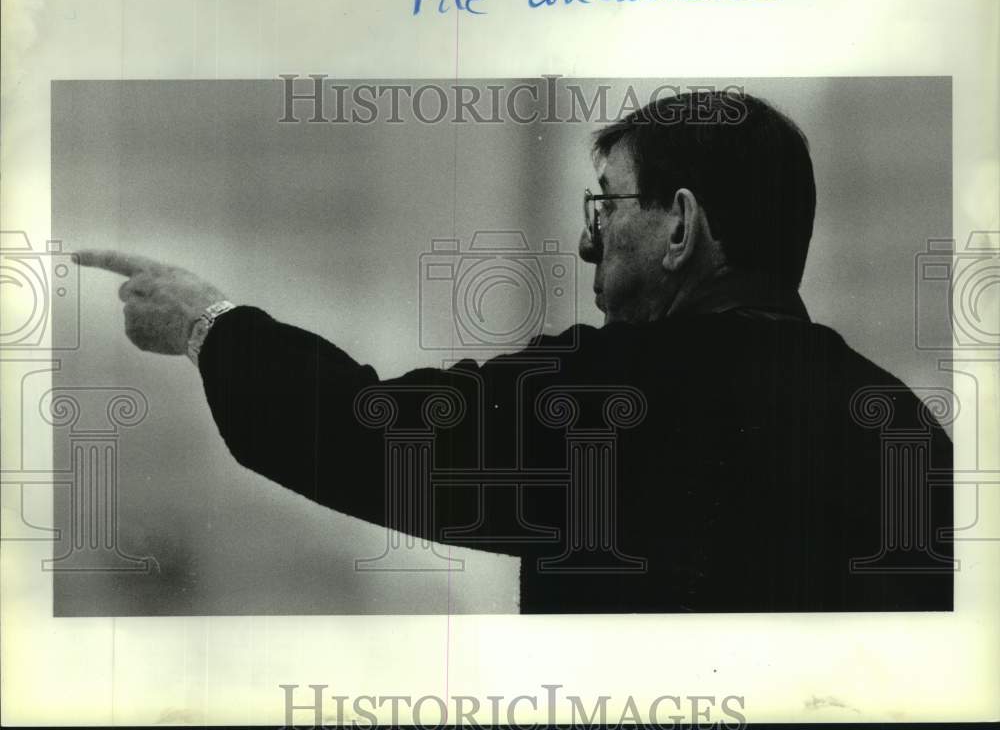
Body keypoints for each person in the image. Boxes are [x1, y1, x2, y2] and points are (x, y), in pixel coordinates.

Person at [77, 91, 953, 613]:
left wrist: (207, 325)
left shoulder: (608, 399)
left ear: (681, 224)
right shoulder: (906, 432)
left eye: (606, 207)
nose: (586, 245)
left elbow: (364, 434)